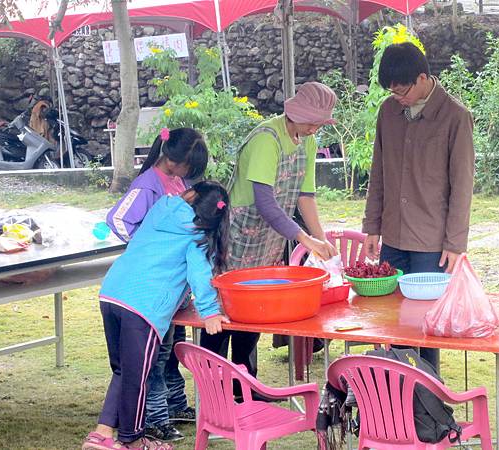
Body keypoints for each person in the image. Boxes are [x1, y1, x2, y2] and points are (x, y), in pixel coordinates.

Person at [200, 81, 338, 395]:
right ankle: (213, 389)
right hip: (239, 234)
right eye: (313, 122)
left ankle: (245, 385)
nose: (316, 129)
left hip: (272, 235)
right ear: (297, 112)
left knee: (254, 310)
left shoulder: (307, 140)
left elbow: (305, 195)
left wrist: (322, 239)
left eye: (320, 123)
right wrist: (305, 239)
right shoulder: (267, 139)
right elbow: (265, 203)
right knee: (223, 313)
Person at [83, 181, 231, 450]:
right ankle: (133, 440)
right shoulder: (197, 234)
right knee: (138, 375)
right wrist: (210, 312)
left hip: (112, 292)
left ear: (191, 194)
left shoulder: (161, 207)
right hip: (144, 306)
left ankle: (102, 434)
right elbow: (199, 274)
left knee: (123, 370)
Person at [362, 42, 475, 369]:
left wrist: (455, 244)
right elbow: (378, 171)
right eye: (391, 92)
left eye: (402, 90)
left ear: (423, 77)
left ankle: (427, 404)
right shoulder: (388, 111)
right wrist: (372, 226)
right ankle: (393, 399)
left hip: (431, 242)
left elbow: (462, 187)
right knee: (393, 322)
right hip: (393, 237)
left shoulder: (456, 117)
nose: (397, 97)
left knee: (426, 326)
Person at [106, 127, 207, 442]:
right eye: (191, 168)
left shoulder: (177, 182)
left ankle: (175, 405)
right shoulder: (147, 184)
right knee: (152, 360)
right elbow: (117, 219)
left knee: (168, 352)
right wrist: (148, 248)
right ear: (175, 160)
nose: (191, 175)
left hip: (169, 291)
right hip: (148, 288)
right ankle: (154, 418)